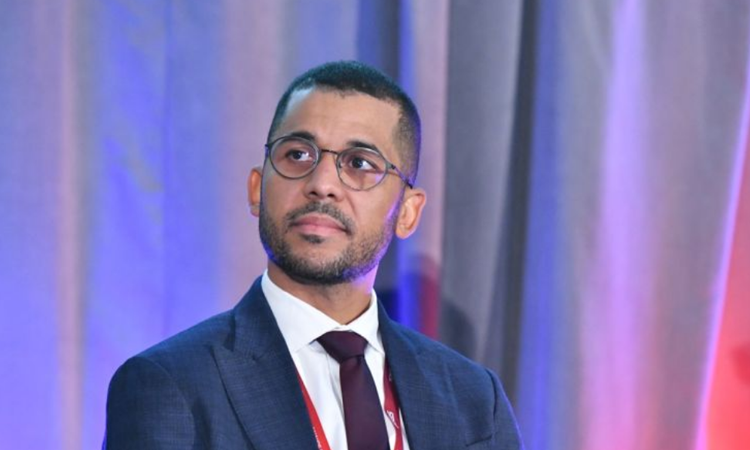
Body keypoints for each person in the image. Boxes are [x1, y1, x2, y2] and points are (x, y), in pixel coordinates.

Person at [104, 60, 523, 450]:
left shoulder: (473, 400)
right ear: (257, 189)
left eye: (359, 163)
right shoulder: (170, 384)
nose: (322, 184)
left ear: (407, 212)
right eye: (298, 155)